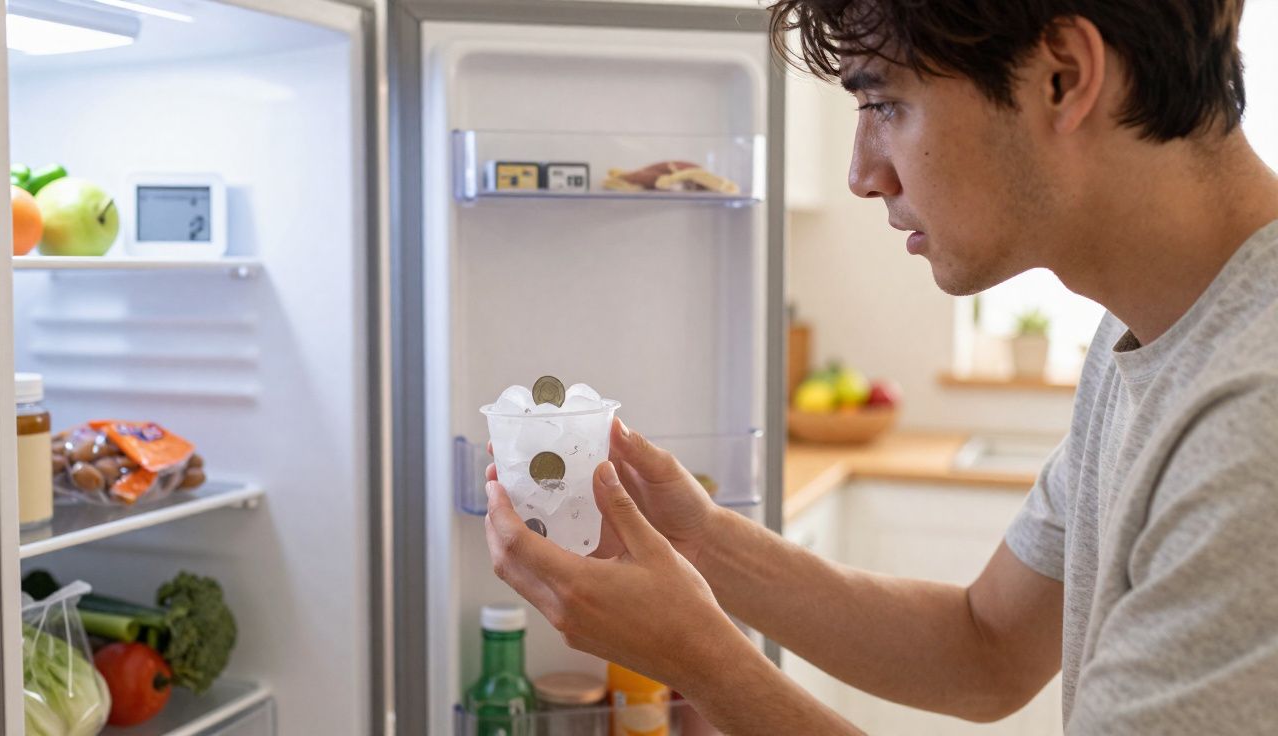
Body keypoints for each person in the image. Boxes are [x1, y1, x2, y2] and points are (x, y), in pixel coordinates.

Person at [483, 0, 1278, 732]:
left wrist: (701, 658)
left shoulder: (1252, 419)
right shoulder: (1142, 334)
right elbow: (985, 647)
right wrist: (701, 543)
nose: (864, 173)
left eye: (884, 104)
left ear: (1063, 76)